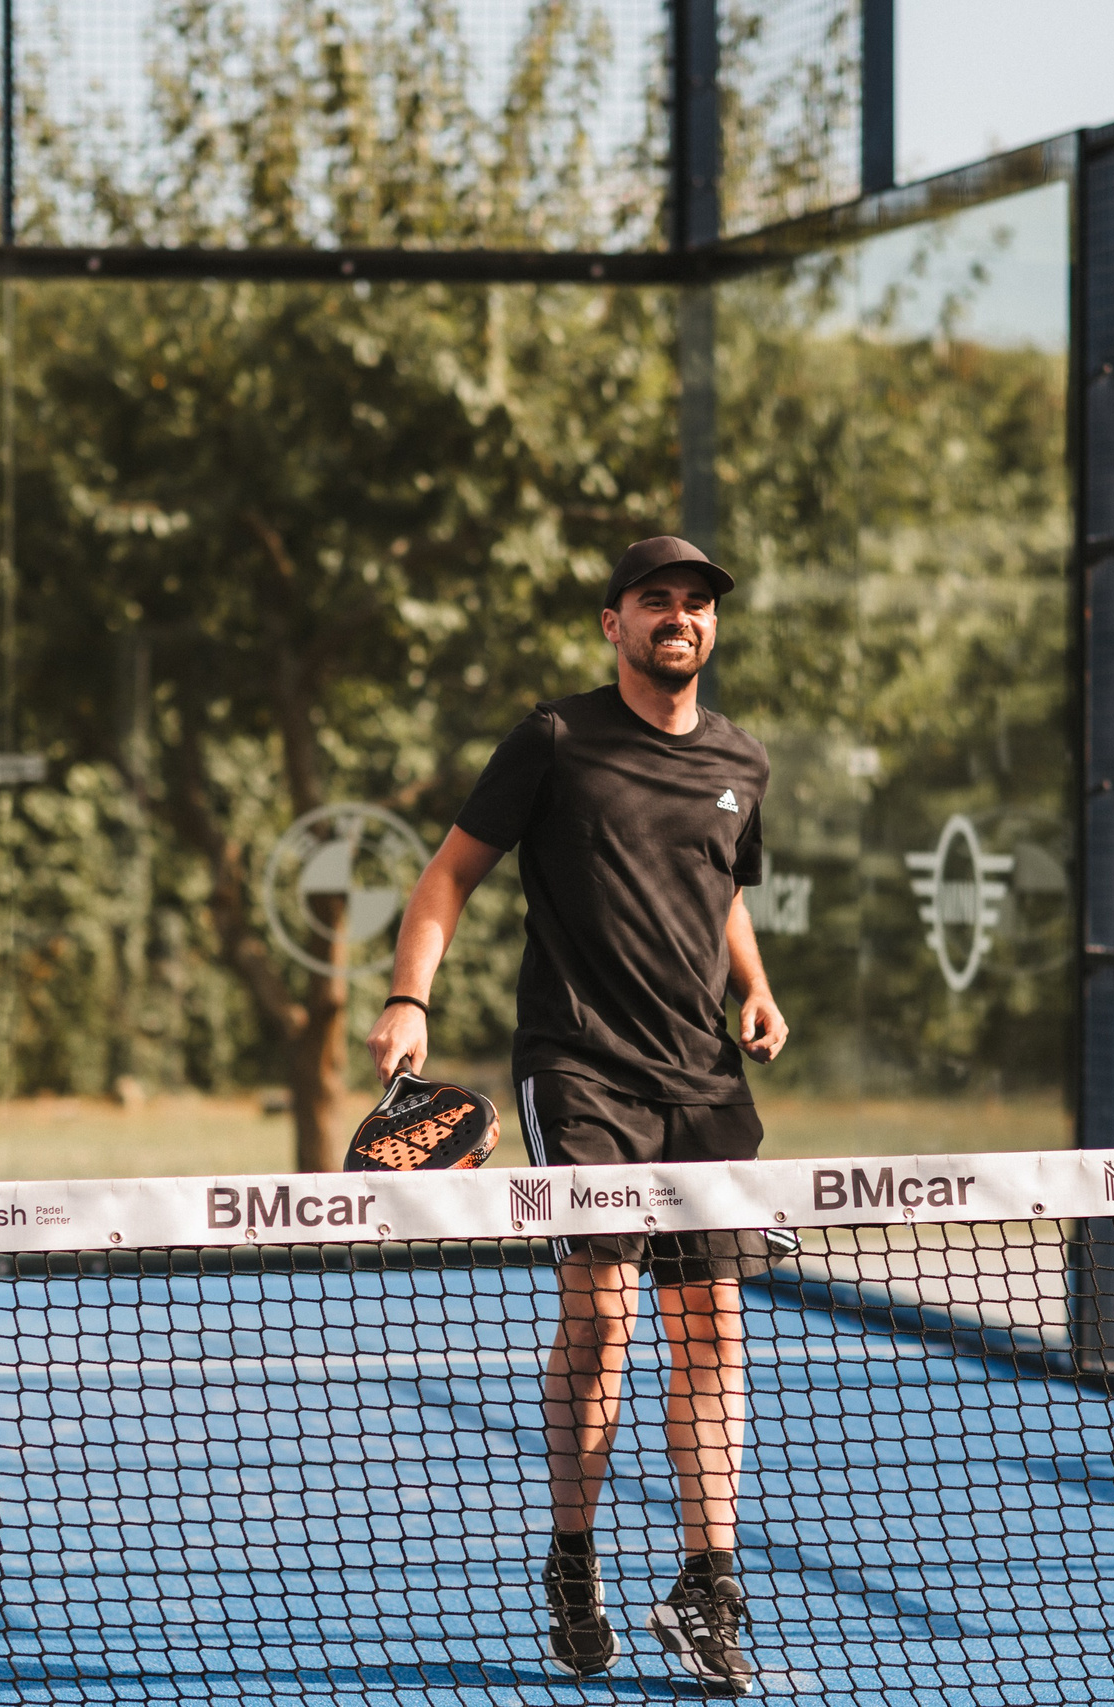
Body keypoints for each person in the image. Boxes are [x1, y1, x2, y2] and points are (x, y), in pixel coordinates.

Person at [365, 535, 788, 1692]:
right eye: (657, 600)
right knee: (601, 1320)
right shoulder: (554, 738)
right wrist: (410, 999)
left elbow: (722, 889)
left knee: (711, 1331)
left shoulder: (742, 760)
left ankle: (707, 1587)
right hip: (581, 1068)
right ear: (613, 623)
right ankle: (572, 1558)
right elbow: (449, 871)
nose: (680, 618)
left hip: (703, 1082)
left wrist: (752, 984)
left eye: (697, 605)